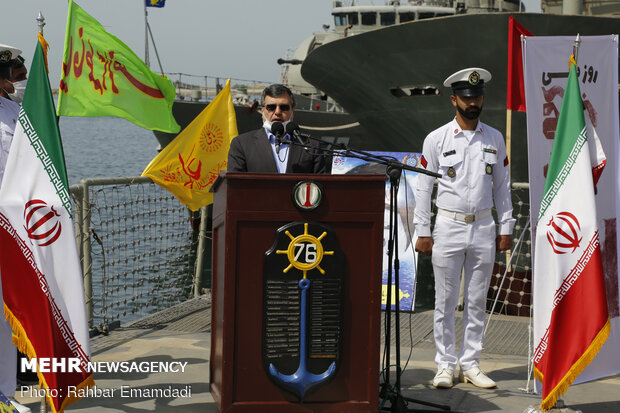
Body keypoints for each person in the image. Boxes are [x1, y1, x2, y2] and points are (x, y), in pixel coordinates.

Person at [413, 68, 514, 390]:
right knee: (444, 301)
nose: (473, 103)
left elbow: (503, 186)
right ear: (454, 100)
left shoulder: (494, 138)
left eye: (478, 97)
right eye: (467, 98)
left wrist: (506, 225)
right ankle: (444, 365)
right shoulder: (437, 139)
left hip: (484, 225)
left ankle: (470, 363)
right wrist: (422, 231)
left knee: (476, 301)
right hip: (448, 225)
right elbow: (423, 188)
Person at [0, 44, 31, 413]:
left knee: (7, 310)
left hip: (12, 226)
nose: (17, 81)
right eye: (14, 75)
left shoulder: (17, 113)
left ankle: (5, 392)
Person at [227, 84, 326, 173]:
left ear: (293, 110)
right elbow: (234, 186)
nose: (277, 112)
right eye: (271, 107)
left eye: (284, 107)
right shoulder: (242, 144)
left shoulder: (312, 146)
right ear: (262, 111)